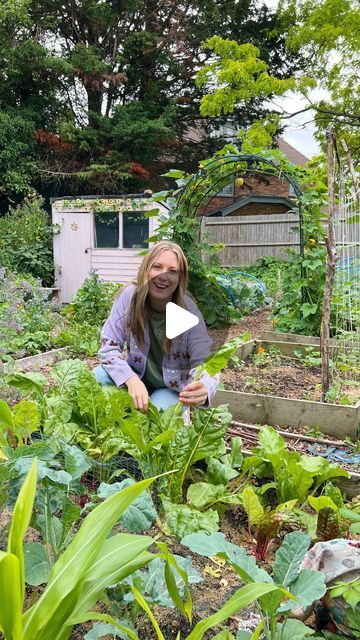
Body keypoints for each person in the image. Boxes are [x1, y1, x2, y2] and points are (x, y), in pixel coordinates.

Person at [93, 241, 218, 411]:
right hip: (138, 376)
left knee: (156, 415)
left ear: (180, 279)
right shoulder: (129, 297)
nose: (163, 276)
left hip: (171, 389)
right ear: (146, 270)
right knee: (98, 377)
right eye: (157, 267)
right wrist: (130, 379)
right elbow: (109, 348)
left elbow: (206, 362)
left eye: (173, 271)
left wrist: (205, 386)